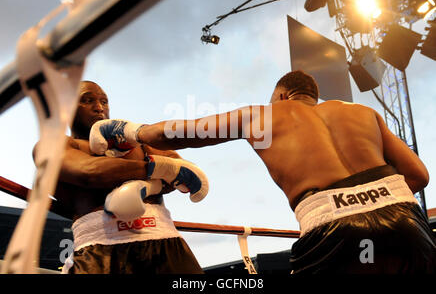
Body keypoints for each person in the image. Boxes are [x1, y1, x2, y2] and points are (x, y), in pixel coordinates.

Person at [90, 70, 436, 274]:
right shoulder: (362, 113)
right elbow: (419, 175)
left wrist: (130, 130)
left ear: (282, 95)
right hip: (403, 218)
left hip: (332, 226)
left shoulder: (263, 116)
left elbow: (179, 132)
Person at [33, 80, 205, 274]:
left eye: (104, 102)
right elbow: (90, 172)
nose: (99, 107)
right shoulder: (55, 145)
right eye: (87, 100)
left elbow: (183, 169)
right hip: (97, 252)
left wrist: (151, 184)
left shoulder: (136, 143)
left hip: (165, 243)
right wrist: (158, 169)